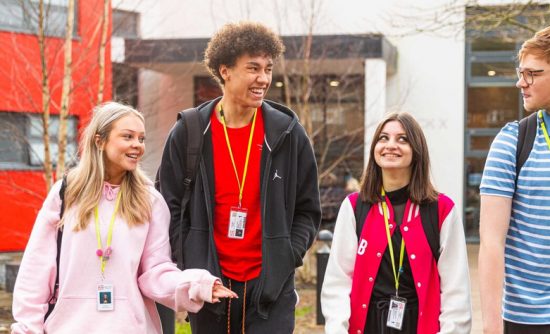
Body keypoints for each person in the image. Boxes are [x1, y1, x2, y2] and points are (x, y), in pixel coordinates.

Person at [11, 102, 236, 334]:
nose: (137, 145)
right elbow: (37, 269)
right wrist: (28, 328)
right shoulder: (66, 194)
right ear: (100, 141)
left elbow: (156, 271)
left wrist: (197, 285)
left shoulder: (150, 200)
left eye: (141, 138)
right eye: (128, 136)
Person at [157, 21, 321, 333]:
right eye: (253, 68)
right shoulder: (190, 132)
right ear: (225, 70)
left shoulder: (287, 133)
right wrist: (190, 262)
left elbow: (308, 209)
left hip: (270, 289)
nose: (264, 79)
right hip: (210, 287)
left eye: (268, 68)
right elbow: (169, 207)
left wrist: (286, 255)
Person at [321, 112, 471, 333]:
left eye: (402, 139)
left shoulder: (441, 210)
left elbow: (455, 290)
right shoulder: (354, 207)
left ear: (417, 151)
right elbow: (338, 280)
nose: (391, 145)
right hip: (367, 325)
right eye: (383, 138)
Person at [479, 26, 550, 334]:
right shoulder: (513, 140)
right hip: (527, 320)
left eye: (532, 73)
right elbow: (491, 242)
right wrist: (492, 327)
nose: (521, 82)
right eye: (521, 72)